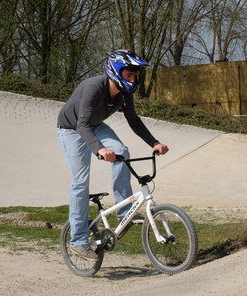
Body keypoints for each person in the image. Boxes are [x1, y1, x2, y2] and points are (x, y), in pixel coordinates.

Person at [57, 49, 169, 260]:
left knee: (122, 152)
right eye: (129, 73)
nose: (134, 77)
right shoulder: (94, 87)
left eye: (136, 74)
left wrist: (155, 143)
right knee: (80, 182)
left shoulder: (125, 93)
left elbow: (134, 121)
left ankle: (123, 210)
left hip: (95, 126)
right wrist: (99, 149)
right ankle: (78, 241)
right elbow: (81, 124)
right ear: (116, 70)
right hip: (71, 130)